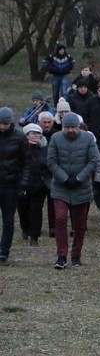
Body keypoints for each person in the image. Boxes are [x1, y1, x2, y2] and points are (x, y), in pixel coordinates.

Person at [47, 112, 100, 269]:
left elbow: (93, 160)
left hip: (81, 187)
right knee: (60, 218)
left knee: (80, 224)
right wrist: (64, 178)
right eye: (67, 127)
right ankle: (61, 255)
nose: (70, 130)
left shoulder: (88, 138)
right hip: (61, 187)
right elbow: (51, 161)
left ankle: (76, 255)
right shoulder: (56, 138)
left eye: (73, 127)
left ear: (78, 127)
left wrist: (79, 178)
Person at [0, 107, 26, 265]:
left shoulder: (20, 138)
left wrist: (21, 182)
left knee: (8, 220)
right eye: (0, 123)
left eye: (5, 123)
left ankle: (3, 252)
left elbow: (27, 162)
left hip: (11, 185)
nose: (2, 126)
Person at [18, 124, 51, 247]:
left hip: (39, 185)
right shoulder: (20, 148)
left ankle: (34, 236)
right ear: (27, 135)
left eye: (38, 133)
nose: (36, 135)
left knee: (36, 211)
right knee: (23, 209)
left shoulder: (45, 148)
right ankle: (25, 229)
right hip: (23, 184)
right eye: (33, 133)